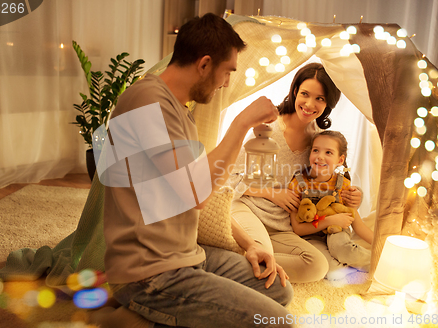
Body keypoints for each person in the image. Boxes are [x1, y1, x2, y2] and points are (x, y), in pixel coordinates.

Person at [92, 13, 295, 328]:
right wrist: (242, 123)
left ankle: (147, 317)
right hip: (150, 272)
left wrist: (249, 243)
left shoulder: (179, 112)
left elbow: (192, 197)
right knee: (276, 321)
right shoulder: (148, 102)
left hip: (186, 254)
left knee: (278, 291)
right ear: (204, 64)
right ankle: (133, 313)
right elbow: (195, 193)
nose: (227, 82)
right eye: (227, 72)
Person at [230, 62, 363, 283]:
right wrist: (272, 193)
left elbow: (327, 183)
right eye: (305, 94)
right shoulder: (267, 129)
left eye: (320, 98)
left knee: (318, 266)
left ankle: (245, 258)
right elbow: (229, 179)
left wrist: (354, 196)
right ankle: (243, 262)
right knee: (264, 256)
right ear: (294, 92)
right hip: (247, 208)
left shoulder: (319, 142)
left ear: (328, 102)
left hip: (282, 225)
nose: (310, 104)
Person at [288, 131, 373, 280]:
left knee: (342, 249)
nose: (320, 156)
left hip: (338, 231)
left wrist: (383, 248)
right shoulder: (297, 183)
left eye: (328, 152)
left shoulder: (343, 184)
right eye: (316, 150)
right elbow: (298, 229)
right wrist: (329, 221)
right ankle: (354, 268)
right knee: (330, 269)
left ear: (340, 160)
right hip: (311, 235)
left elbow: (358, 225)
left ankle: (378, 263)